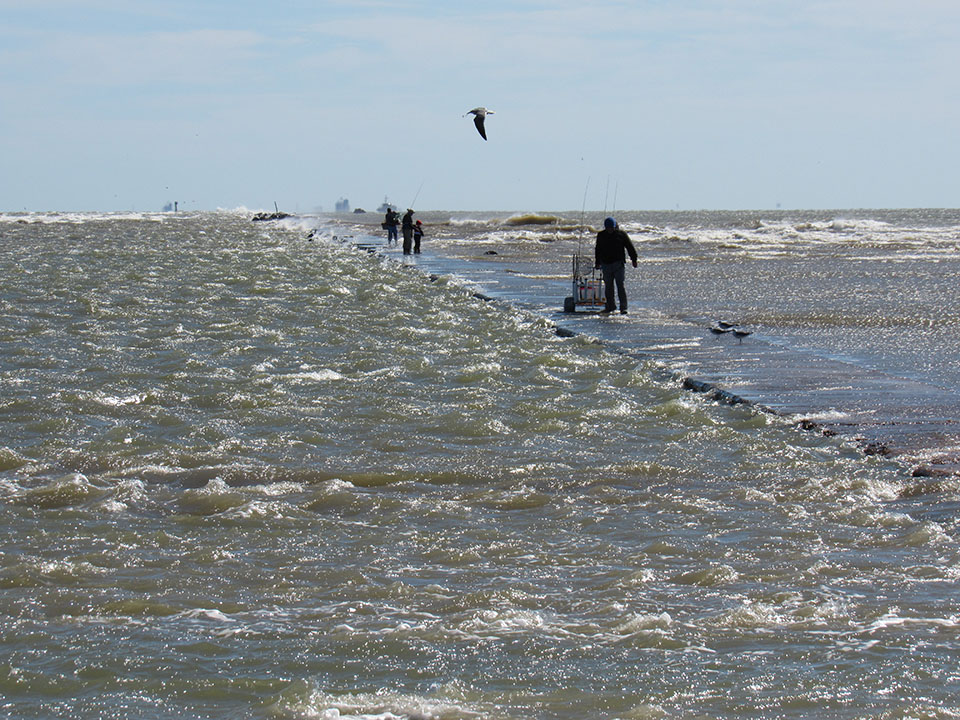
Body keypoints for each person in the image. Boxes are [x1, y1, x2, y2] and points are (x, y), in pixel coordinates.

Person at [594, 216, 638, 314]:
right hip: (605, 264)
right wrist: (597, 262)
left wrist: (634, 259)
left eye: (611, 227)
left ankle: (623, 307)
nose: (610, 230)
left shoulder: (621, 234)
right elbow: (598, 249)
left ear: (615, 227)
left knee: (620, 285)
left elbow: (630, 247)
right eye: (608, 228)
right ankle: (610, 307)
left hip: (618, 264)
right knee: (608, 287)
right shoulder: (601, 235)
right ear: (605, 227)